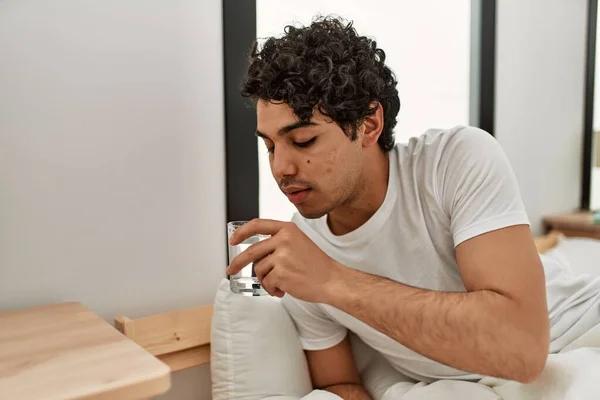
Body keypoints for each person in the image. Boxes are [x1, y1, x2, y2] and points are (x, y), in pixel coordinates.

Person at [225, 16, 600, 400]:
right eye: (270, 146)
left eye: (302, 140)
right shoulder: (301, 256)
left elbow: (522, 351)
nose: (280, 168)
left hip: (577, 334)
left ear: (369, 125)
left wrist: (333, 281)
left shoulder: (453, 161)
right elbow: (340, 384)